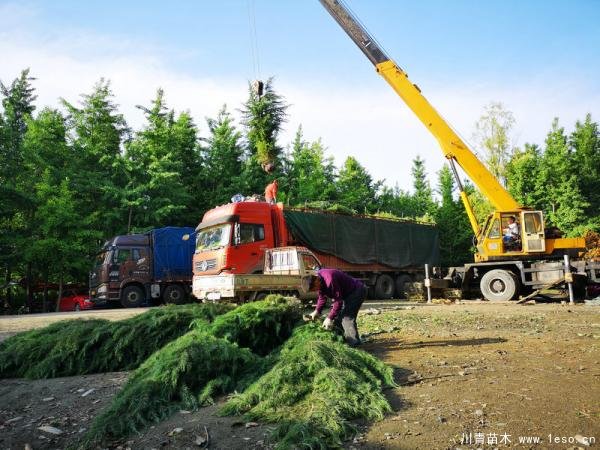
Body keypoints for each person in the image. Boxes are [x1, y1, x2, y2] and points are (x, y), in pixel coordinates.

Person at [307, 268, 367, 346]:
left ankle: (355, 344)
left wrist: (329, 318)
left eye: (314, 288)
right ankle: (341, 340)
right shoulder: (319, 279)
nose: (316, 291)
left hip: (357, 291)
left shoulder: (330, 280)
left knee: (346, 317)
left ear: (316, 281)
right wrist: (317, 311)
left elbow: (338, 301)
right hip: (347, 294)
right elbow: (322, 297)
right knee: (338, 318)